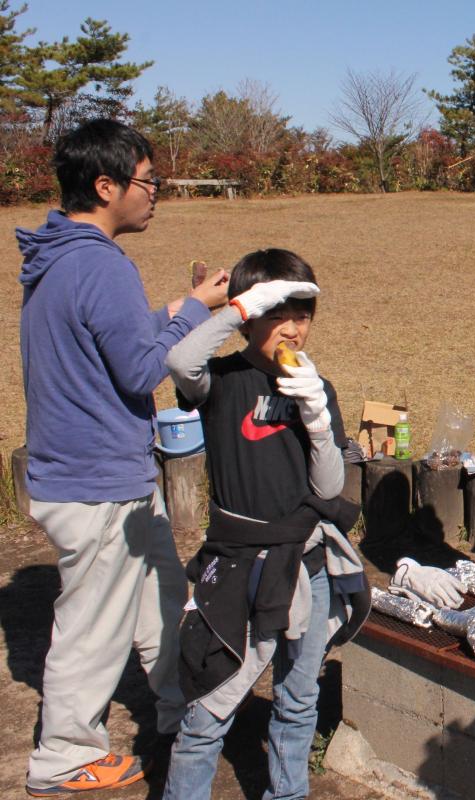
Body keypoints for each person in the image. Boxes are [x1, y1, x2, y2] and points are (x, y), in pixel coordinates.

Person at [18, 118, 228, 797]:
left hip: (95, 476)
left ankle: (178, 702)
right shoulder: (101, 263)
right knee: (93, 629)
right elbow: (141, 368)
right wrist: (196, 310)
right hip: (99, 481)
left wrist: (187, 304)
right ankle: (63, 759)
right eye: (147, 181)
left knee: (161, 596)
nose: (155, 192)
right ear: (106, 186)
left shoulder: (61, 255)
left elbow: (117, 334)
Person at [161, 249, 368, 800]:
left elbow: (328, 490)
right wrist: (235, 309)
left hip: (308, 562)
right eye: (281, 312)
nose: (295, 328)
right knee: (209, 708)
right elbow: (180, 363)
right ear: (252, 314)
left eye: (304, 313)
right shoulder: (224, 380)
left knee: (299, 700)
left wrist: (318, 420)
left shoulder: (315, 386)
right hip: (241, 568)